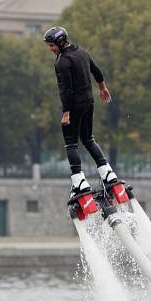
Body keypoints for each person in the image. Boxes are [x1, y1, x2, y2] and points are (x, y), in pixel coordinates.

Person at [43, 26, 118, 202]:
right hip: (89, 103)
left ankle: (79, 181)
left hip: (75, 106)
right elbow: (96, 70)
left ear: (60, 42)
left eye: (52, 45)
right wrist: (102, 87)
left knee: (71, 144)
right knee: (88, 139)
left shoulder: (62, 62)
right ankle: (107, 173)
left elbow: (66, 90)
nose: (51, 49)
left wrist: (66, 113)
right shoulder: (82, 52)